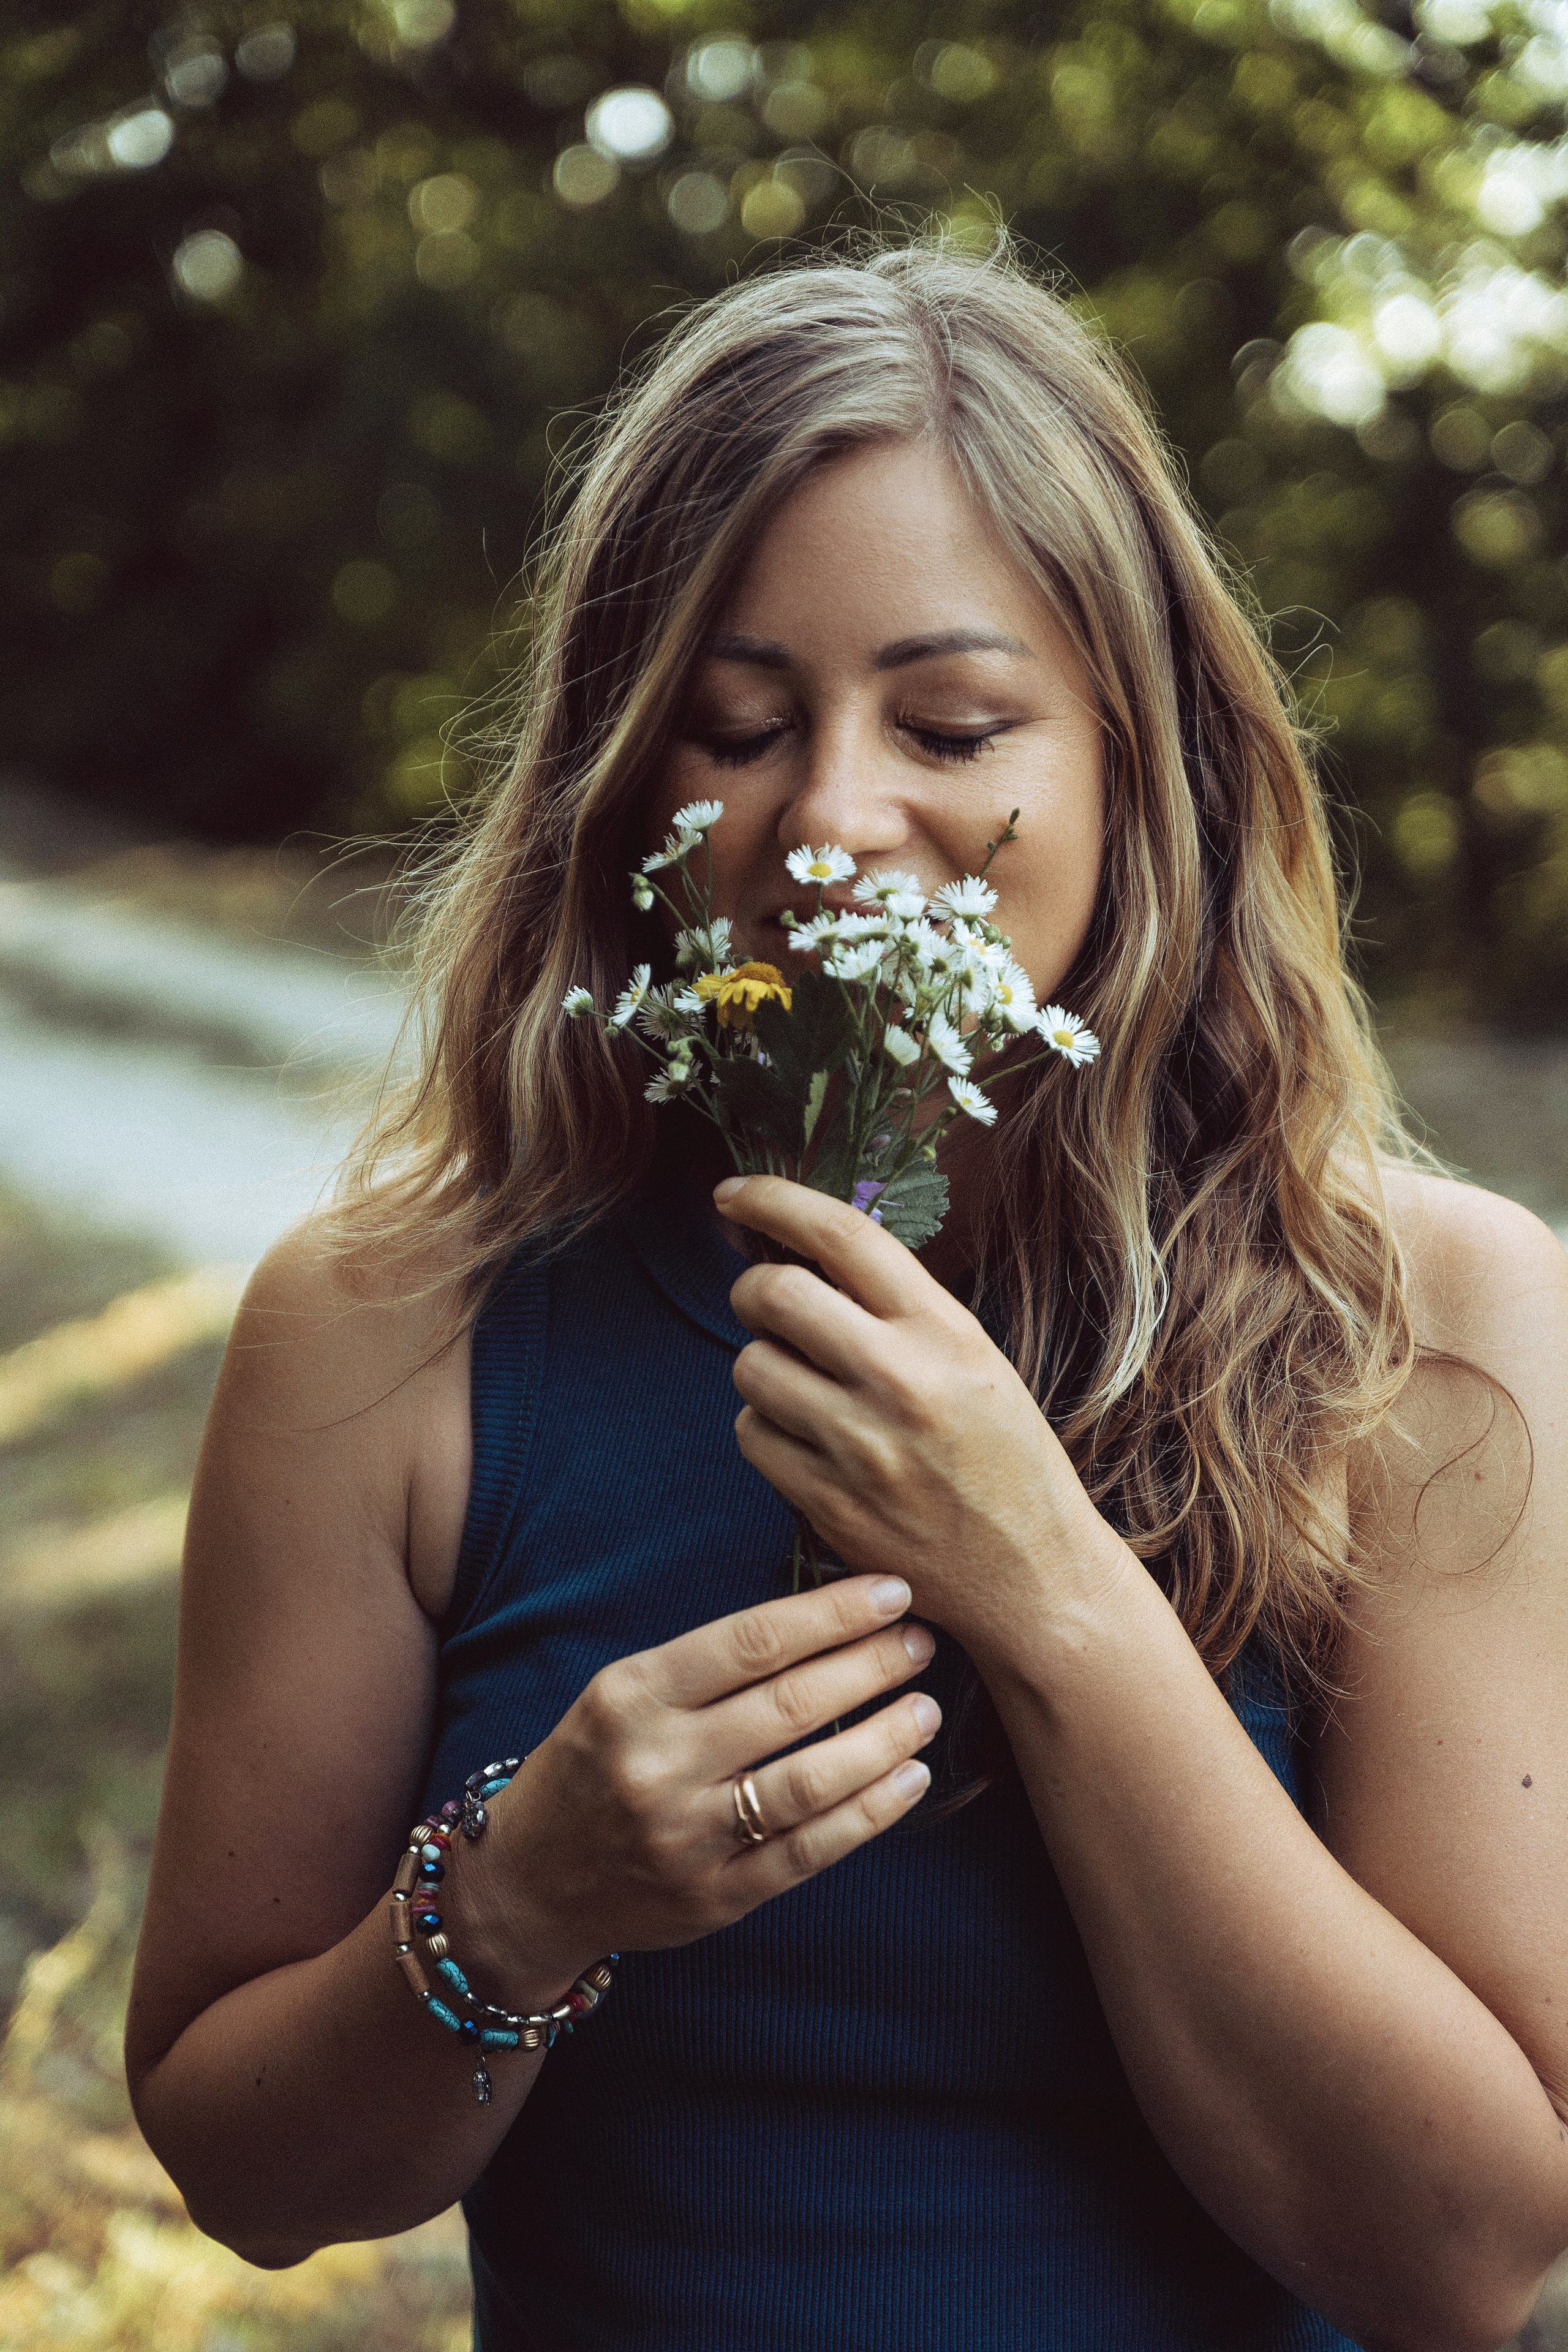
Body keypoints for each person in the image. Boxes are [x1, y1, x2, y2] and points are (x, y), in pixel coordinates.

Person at [124, 238, 1568, 2352]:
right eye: (734, 724)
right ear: (620, 782)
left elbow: (1464, 2257)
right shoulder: (390, 1332)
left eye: (957, 720)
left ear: (1130, 763)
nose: (831, 814)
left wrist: (1047, 1585)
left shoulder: (1422, 1321)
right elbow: (243, 2174)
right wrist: (519, 1906)